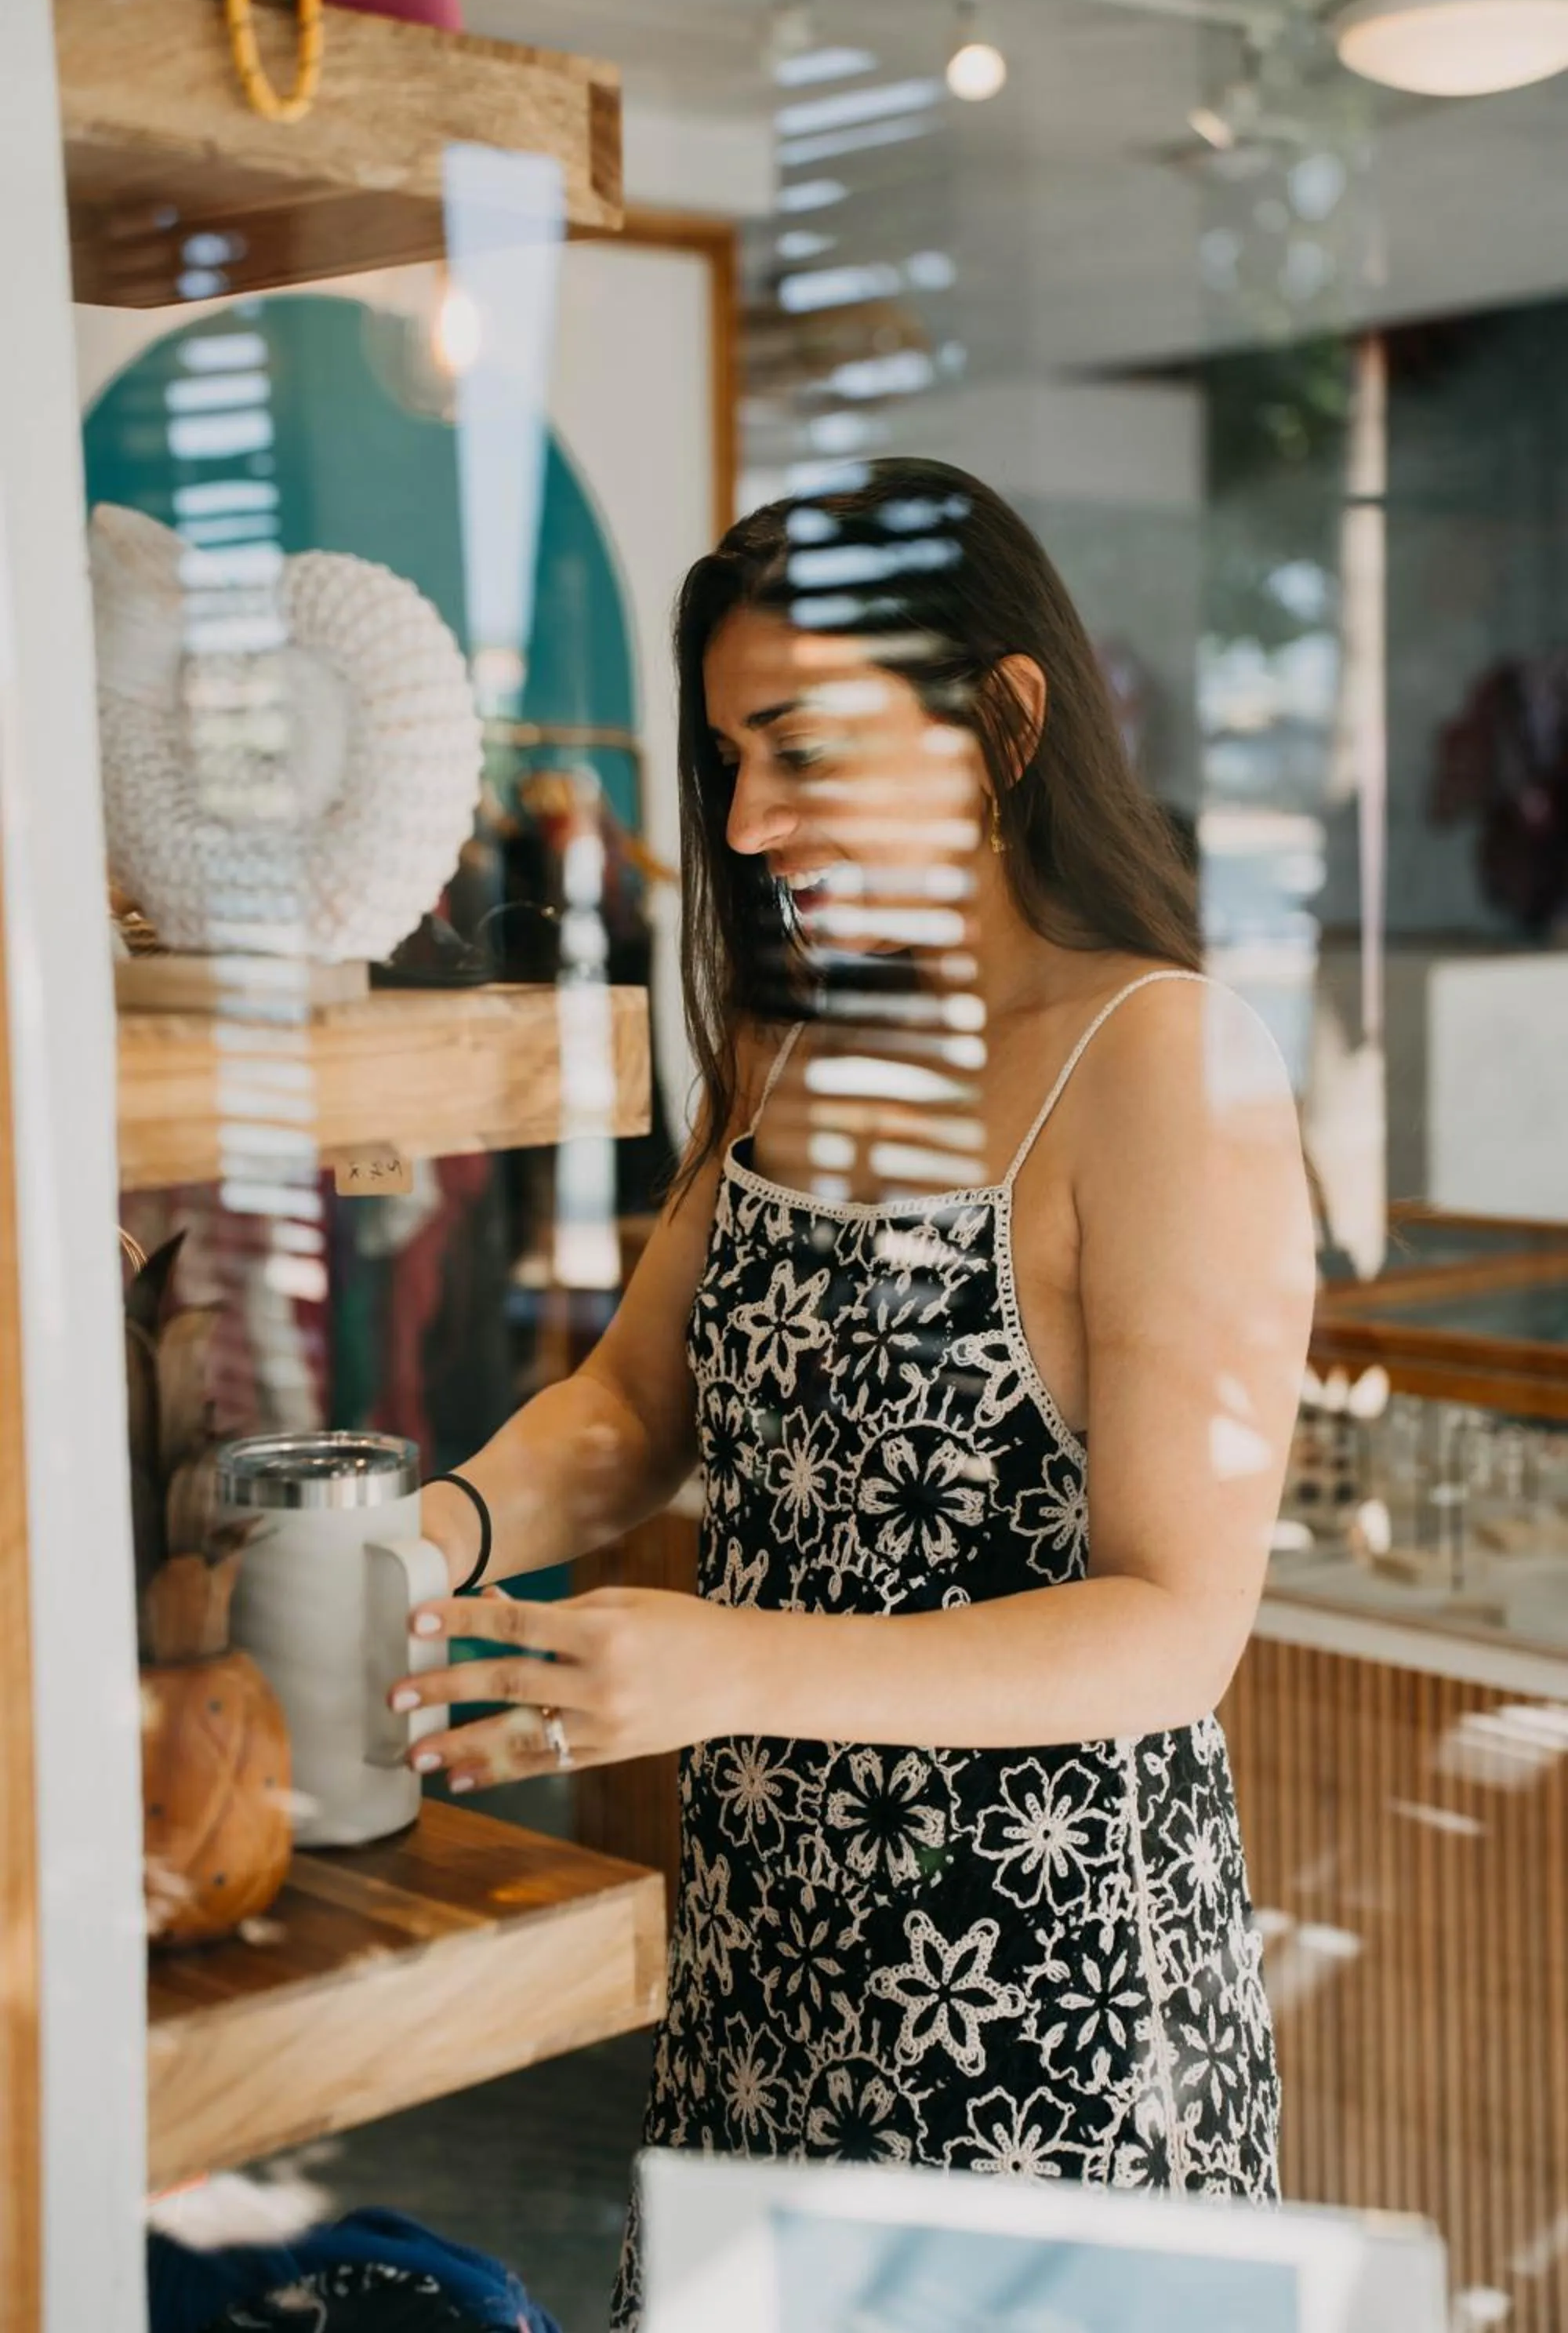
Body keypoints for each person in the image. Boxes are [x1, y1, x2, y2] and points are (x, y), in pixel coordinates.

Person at [391, 461, 1316, 2326]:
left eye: (798, 751)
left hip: (1044, 2012)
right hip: (767, 1970)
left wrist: (726, 1668)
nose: (744, 823)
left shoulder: (1164, 1062)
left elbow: (1176, 1629)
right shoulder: (796, 1041)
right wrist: (415, 1536)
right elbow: (633, 1409)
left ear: (1002, 716)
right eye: (730, 758)